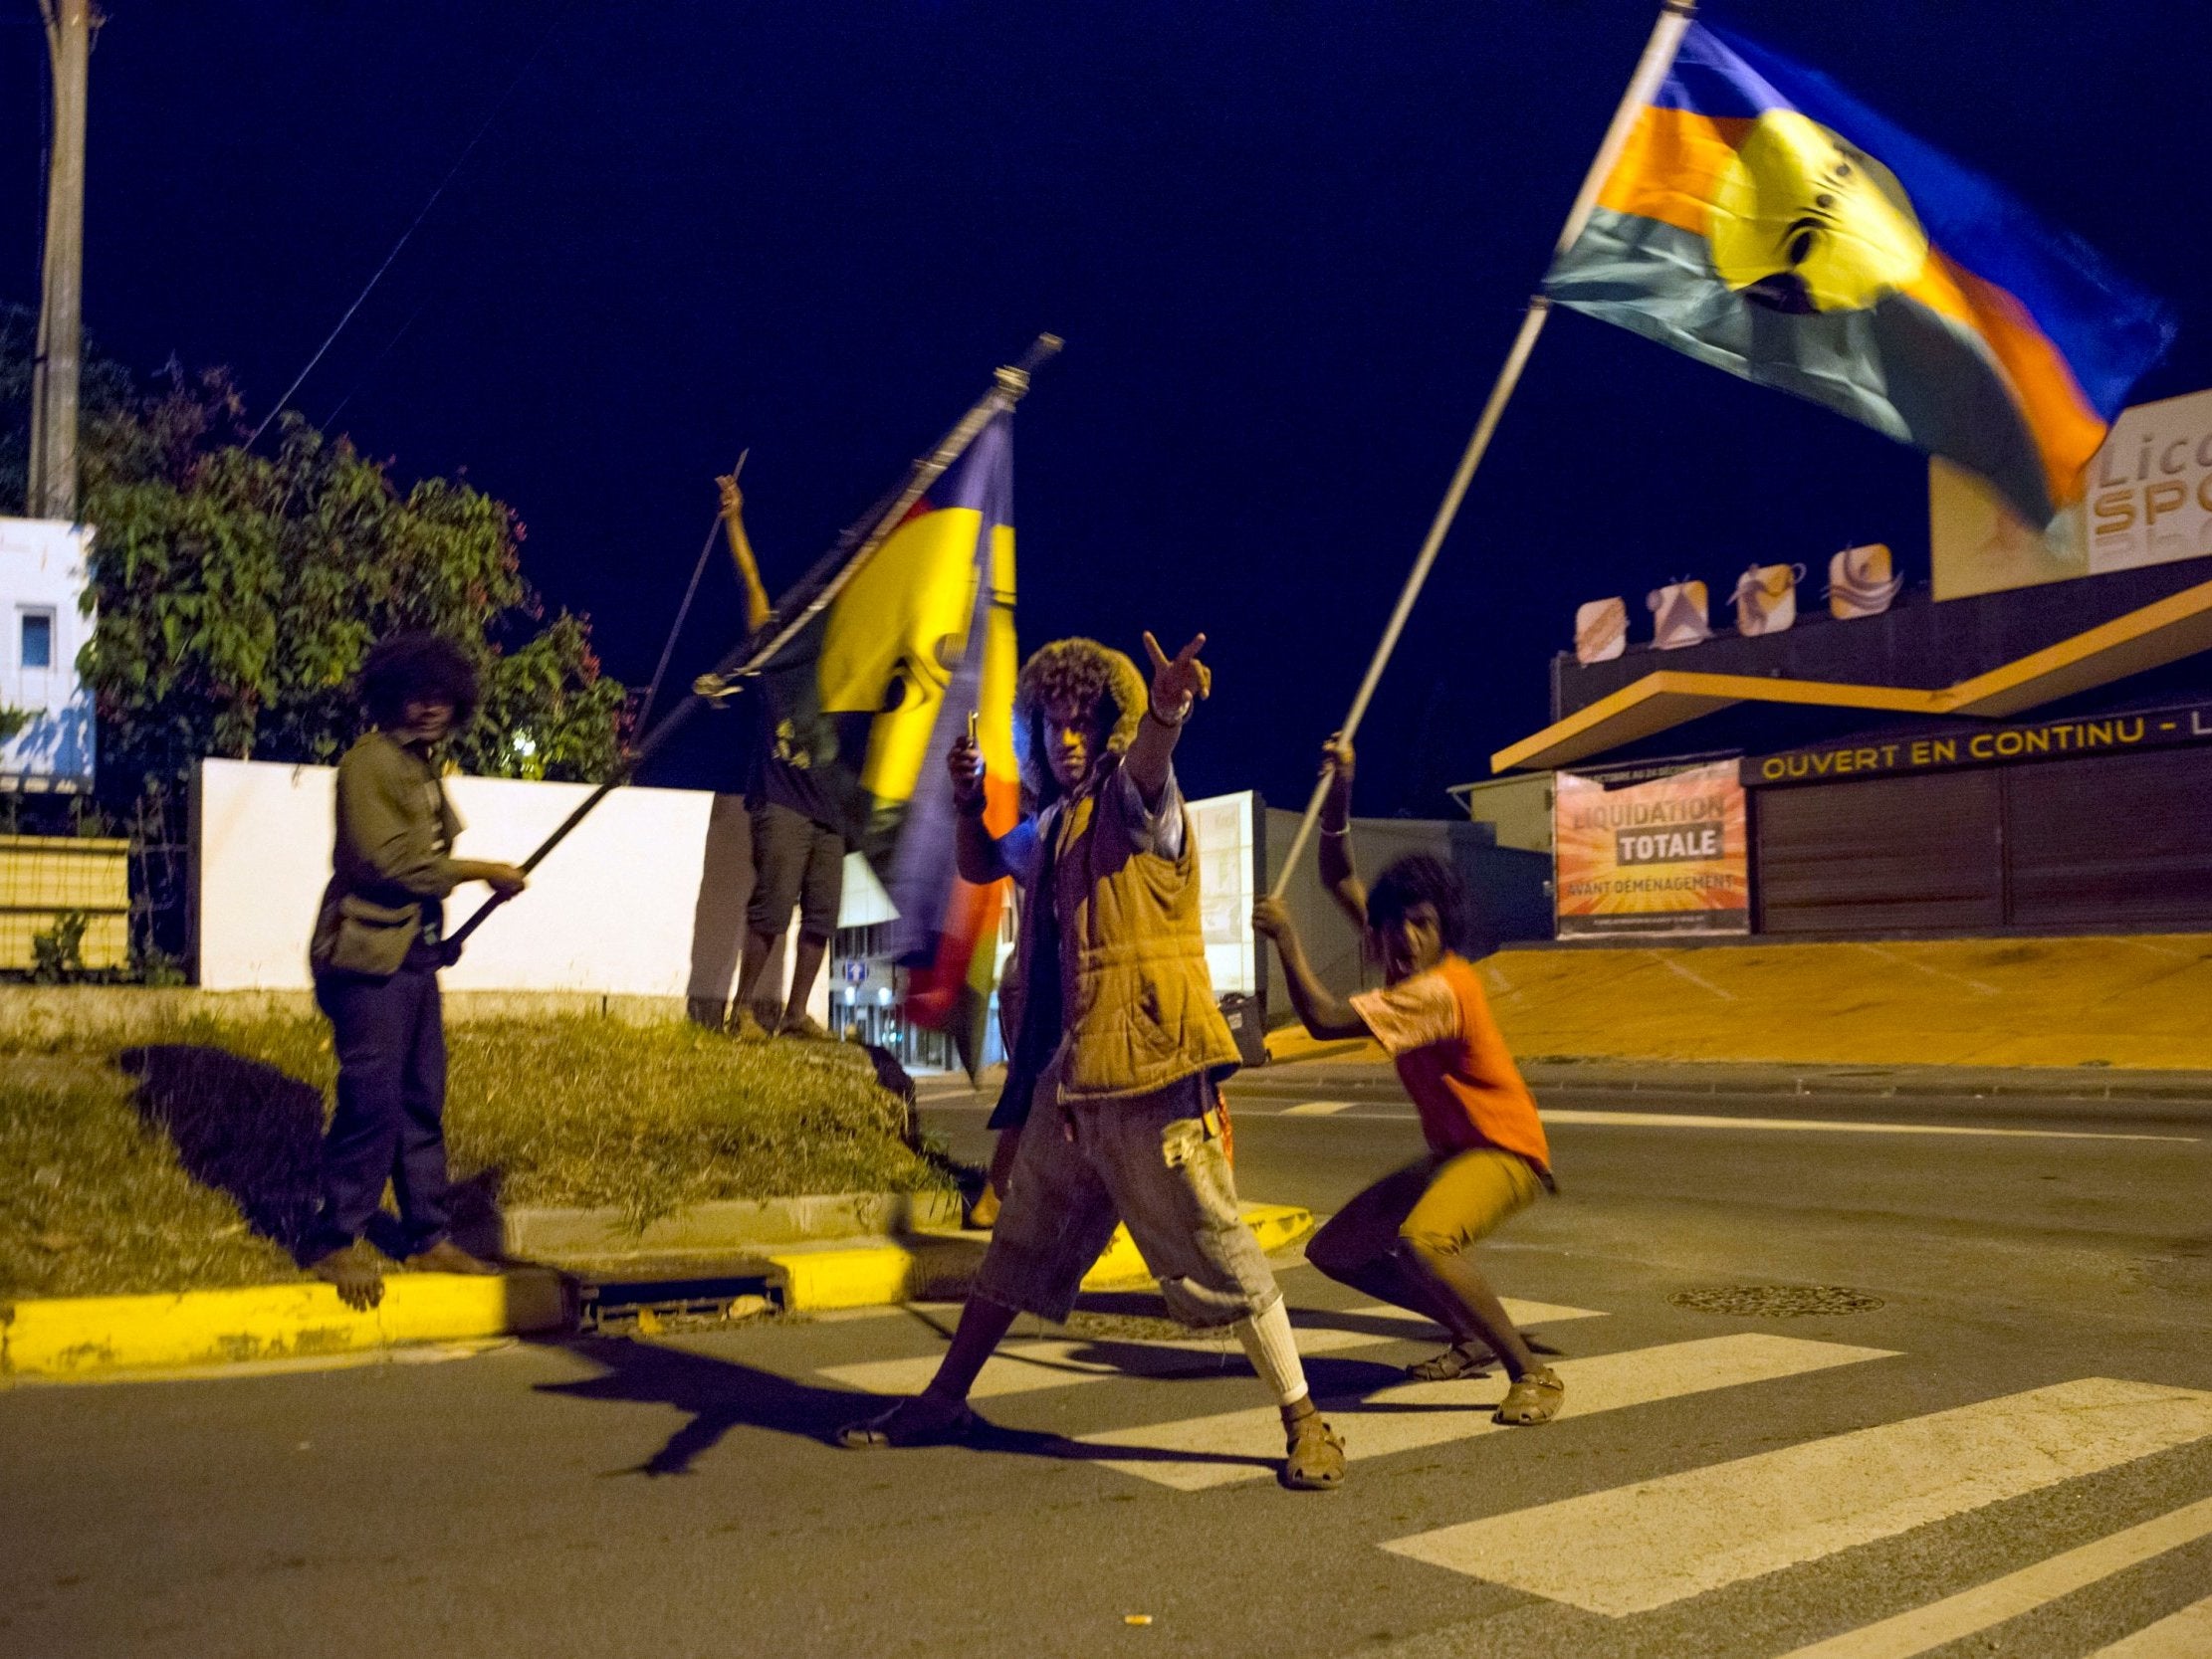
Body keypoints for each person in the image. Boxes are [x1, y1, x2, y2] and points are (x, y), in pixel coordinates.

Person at [836, 632, 1347, 1491]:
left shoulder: (1134, 799)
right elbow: (984, 863)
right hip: (1071, 1086)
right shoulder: (1054, 826)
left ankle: (1306, 1419)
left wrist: (1166, 708)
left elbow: (1152, 761)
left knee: (1220, 1245)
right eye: (1052, 724)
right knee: (1018, 1243)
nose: (1068, 738)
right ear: (1033, 734)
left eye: (1083, 722)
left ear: (1108, 724)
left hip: (1151, 1072)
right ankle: (945, 1397)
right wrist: (967, 804)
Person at [1250, 733, 1565, 1426]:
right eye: (1394, 926)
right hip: (1454, 1152)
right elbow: (1336, 873)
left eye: (1421, 925)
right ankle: (1467, 1333)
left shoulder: (1440, 988)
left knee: (1424, 1240)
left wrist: (1288, 941)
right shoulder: (1402, 960)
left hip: (1505, 1151)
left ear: (1441, 926)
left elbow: (1330, 1021)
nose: (1404, 939)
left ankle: (1531, 1371)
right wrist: (1343, 787)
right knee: (1336, 1250)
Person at [303, 633, 528, 1312]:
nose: (431, 708)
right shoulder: (368, 762)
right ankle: (331, 1238)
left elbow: (423, 865)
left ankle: (427, 1234)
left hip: (410, 956)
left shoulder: (423, 767)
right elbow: (387, 862)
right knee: (371, 1101)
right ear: (393, 695)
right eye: (418, 695)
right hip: (364, 959)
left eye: (442, 697)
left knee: (421, 1099)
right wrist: (482, 870)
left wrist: (439, 933)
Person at [718, 474, 844, 1040]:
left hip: (830, 806)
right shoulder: (774, 651)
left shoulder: (843, 661)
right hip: (782, 796)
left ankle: (794, 1014)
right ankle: (742, 1010)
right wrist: (735, 518)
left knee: (821, 916)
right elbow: (750, 581)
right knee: (772, 906)